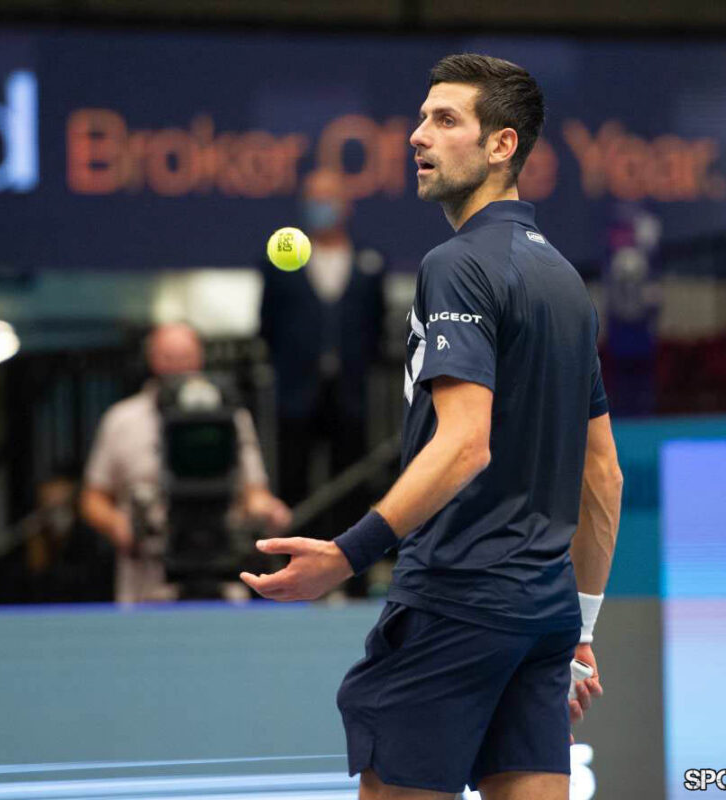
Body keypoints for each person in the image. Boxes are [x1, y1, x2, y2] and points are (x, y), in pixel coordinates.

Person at [241, 54, 623, 800]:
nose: (417, 136)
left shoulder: (457, 264)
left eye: (445, 120)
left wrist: (346, 555)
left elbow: (464, 443)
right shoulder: (565, 282)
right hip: (543, 614)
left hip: (456, 601)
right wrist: (579, 628)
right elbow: (603, 474)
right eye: (421, 119)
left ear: (502, 145)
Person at [81, 323, 291, 604]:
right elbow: (93, 498)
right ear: (152, 359)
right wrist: (117, 525)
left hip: (220, 568)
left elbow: (254, 489)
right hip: (147, 579)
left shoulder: (232, 416)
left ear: (200, 357)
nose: (178, 366)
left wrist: (266, 510)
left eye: (186, 356)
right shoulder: (121, 420)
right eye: (169, 357)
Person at [260, 168, 385, 591]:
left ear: (346, 205)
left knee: (352, 488)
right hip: (296, 396)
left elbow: (375, 328)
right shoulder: (281, 260)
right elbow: (268, 326)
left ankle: (353, 581)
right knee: (294, 486)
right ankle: (290, 580)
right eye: (314, 197)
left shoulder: (370, 261)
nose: (321, 205)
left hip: (350, 396)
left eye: (329, 197)